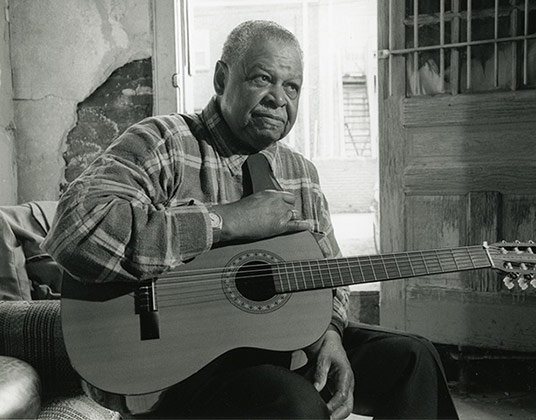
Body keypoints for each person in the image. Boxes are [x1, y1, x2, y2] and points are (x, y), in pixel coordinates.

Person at [43, 20, 458, 419]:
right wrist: (225, 221)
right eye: (263, 78)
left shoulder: (300, 174)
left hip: (288, 345)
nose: (280, 98)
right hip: (183, 366)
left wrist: (329, 333)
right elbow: (76, 231)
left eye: (292, 86)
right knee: (295, 404)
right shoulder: (165, 142)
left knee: (415, 360)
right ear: (222, 78)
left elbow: (331, 275)